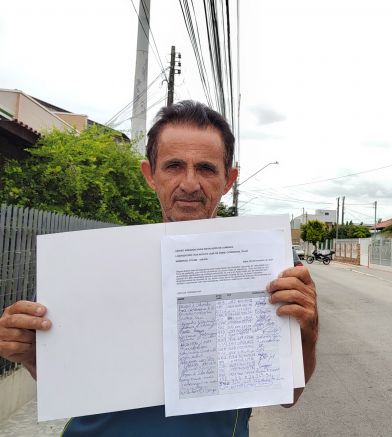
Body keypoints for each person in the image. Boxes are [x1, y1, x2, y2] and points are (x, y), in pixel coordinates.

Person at [0, 101, 318, 436]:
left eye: (207, 168)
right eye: (174, 166)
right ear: (150, 175)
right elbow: (64, 382)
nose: (190, 183)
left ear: (229, 179)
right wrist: (30, 353)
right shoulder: (90, 263)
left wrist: (309, 333)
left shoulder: (271, 264)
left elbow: (289, 396)